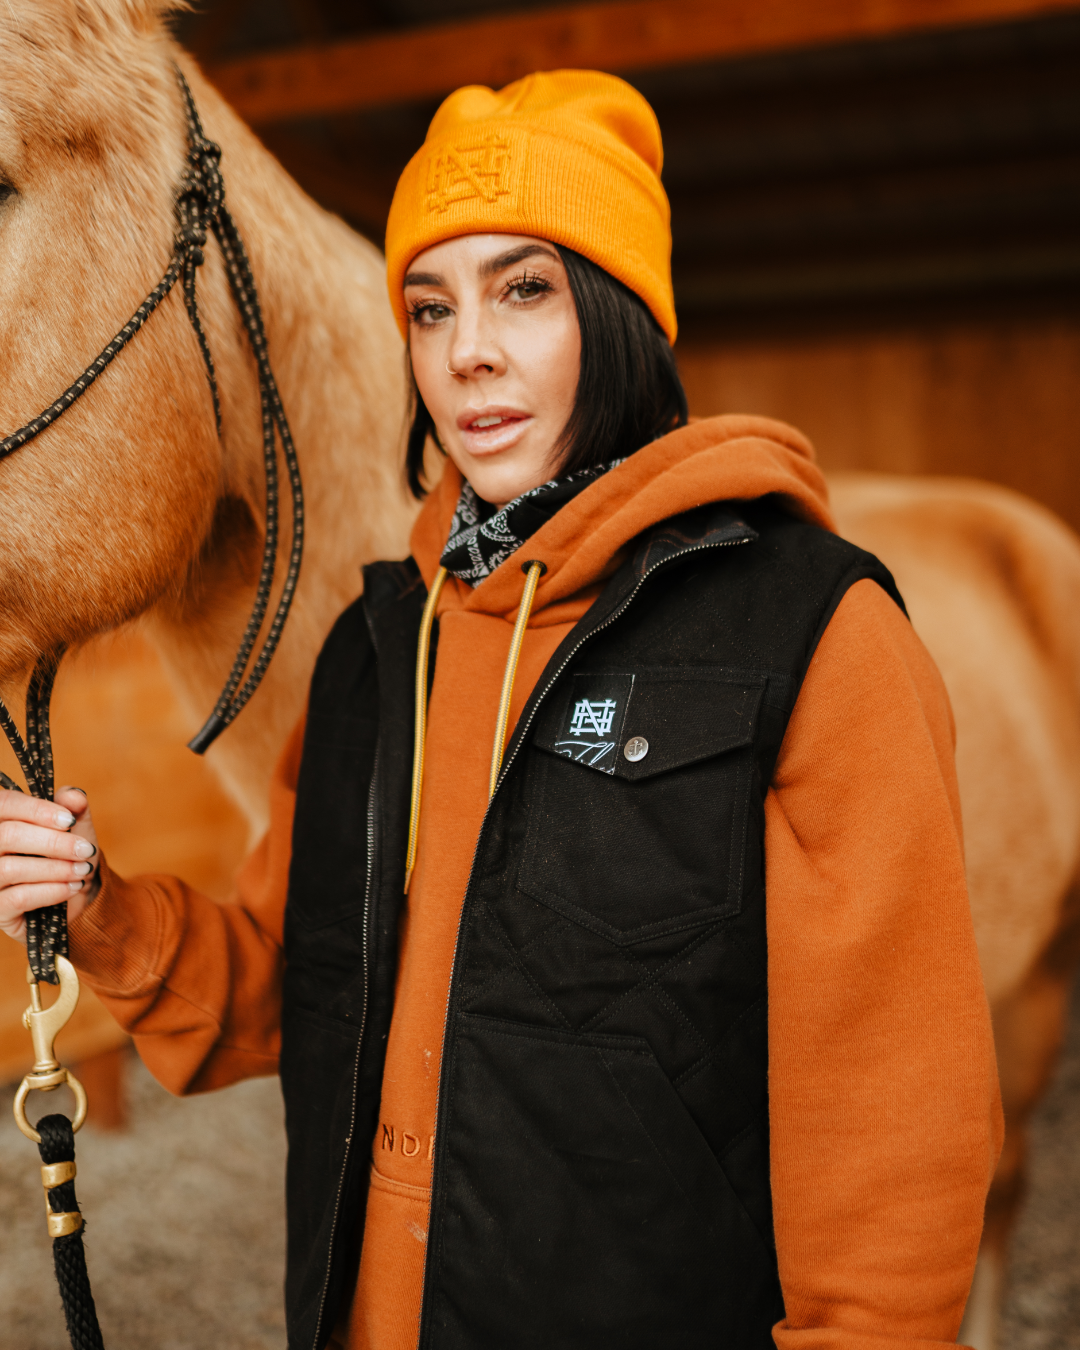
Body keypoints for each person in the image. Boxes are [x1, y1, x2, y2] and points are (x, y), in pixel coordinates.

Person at [0, 70, 1001, 1350]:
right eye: (430, 305)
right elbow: (288, 986)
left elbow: (889, 1132)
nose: (466, 346)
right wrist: (102, 910)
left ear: (620, 312)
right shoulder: (379, 650)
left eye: (524, 288)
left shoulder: (811, 634)